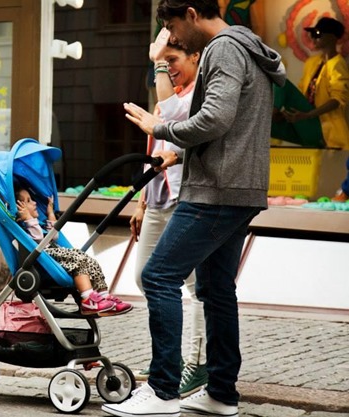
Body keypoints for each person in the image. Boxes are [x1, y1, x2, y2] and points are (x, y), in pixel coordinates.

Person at [104, 1, 286, 416]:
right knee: (215, 290)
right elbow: (234, 129)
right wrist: (180, 156)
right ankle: (221, 394)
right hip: (238, 188)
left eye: (171, 26)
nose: (172, 36)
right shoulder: (249, 46)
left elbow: (216, 119)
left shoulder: (224, 48)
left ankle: (163, 391)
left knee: (158, 276)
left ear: (191, 12)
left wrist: (160, 129)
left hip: (215, 191)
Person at [129, 28, 208, 398]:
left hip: (185, 196)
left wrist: (159, 63)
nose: (169, 69)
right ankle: (170, 360)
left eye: (174, 61)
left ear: (195, 57)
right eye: (165, 63)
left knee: (193, 286)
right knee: (145, 276)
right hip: (159, 197)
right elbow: (155, 143)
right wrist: (141, 203)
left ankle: (196, 363)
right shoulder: (172, 94)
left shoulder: (198, 94)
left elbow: (177, 134)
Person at [15, 187, 132, 316]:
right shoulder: (25, 227)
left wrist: (50, 213)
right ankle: (88, 299)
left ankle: (103, 295)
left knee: (90, 261)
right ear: (20, 208)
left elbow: (53, 236)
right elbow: (37, 240)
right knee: (78, 259)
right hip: (44, 259)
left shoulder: (37, 224)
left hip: (53, 255)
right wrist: (28, 219)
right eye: (28, 201)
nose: (34, 202)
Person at [282, 17, 349, 202]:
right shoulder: (313, 63)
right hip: (311, 130)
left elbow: (338, 99)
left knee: (329, 179)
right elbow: (303, 92)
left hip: (333, 134)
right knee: (312, 179)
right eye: (312, 34)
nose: (314, 38)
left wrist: (308, 114)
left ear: (334, 38)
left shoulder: (338, 65)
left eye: (318, 34)